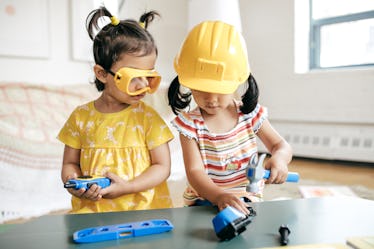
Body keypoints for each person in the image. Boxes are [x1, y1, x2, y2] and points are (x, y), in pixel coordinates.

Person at [168, 21, 292, 215]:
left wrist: (280, 159)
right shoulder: (189, 125)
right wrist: (218, 196)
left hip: (246, 197)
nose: (210, 99)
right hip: (205, 198)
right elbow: (195, 173)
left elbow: (280, 146)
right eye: (200, 90)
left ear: (238, 81)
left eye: (219, 90)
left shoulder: (249, 114)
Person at [58, 7, 174, 213]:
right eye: (133, 77)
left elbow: (162, 167)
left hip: (143, 212)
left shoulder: (148, 118)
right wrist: (74, 183)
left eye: (149, 77)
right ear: (102, 74)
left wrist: (128, 187)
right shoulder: (80, 117)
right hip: (93, 212)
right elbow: (70, 163)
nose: (142, 85)